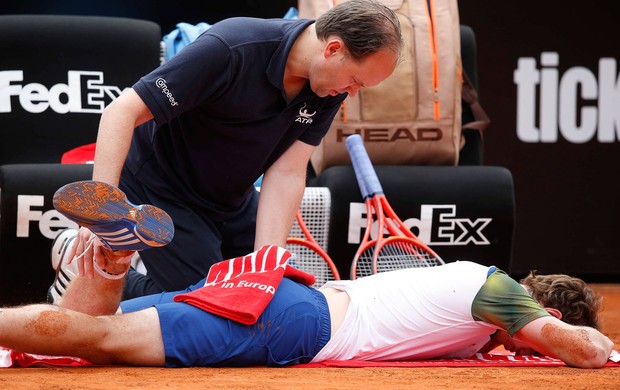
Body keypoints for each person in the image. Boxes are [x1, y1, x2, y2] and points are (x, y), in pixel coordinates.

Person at [47, 0, 403, 302]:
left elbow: (288, 171)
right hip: (161, 190)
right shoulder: (232, 46)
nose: (352, 92)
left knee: (259, 298)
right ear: (333, 49)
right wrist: (101, 215)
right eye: (356, 81)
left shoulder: (329, 87)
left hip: (232, 200)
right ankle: (80, 265)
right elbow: (120, 111)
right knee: (203, 302)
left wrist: (268, 261)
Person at [6, 244, 615, 369]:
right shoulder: (498, 292)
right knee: (103, 340)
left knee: (102, 331)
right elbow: (584, 351)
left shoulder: (472, 306)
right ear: (550, 315)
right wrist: (602, 346)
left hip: (280, 295)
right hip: (291, 324)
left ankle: (112, 264)